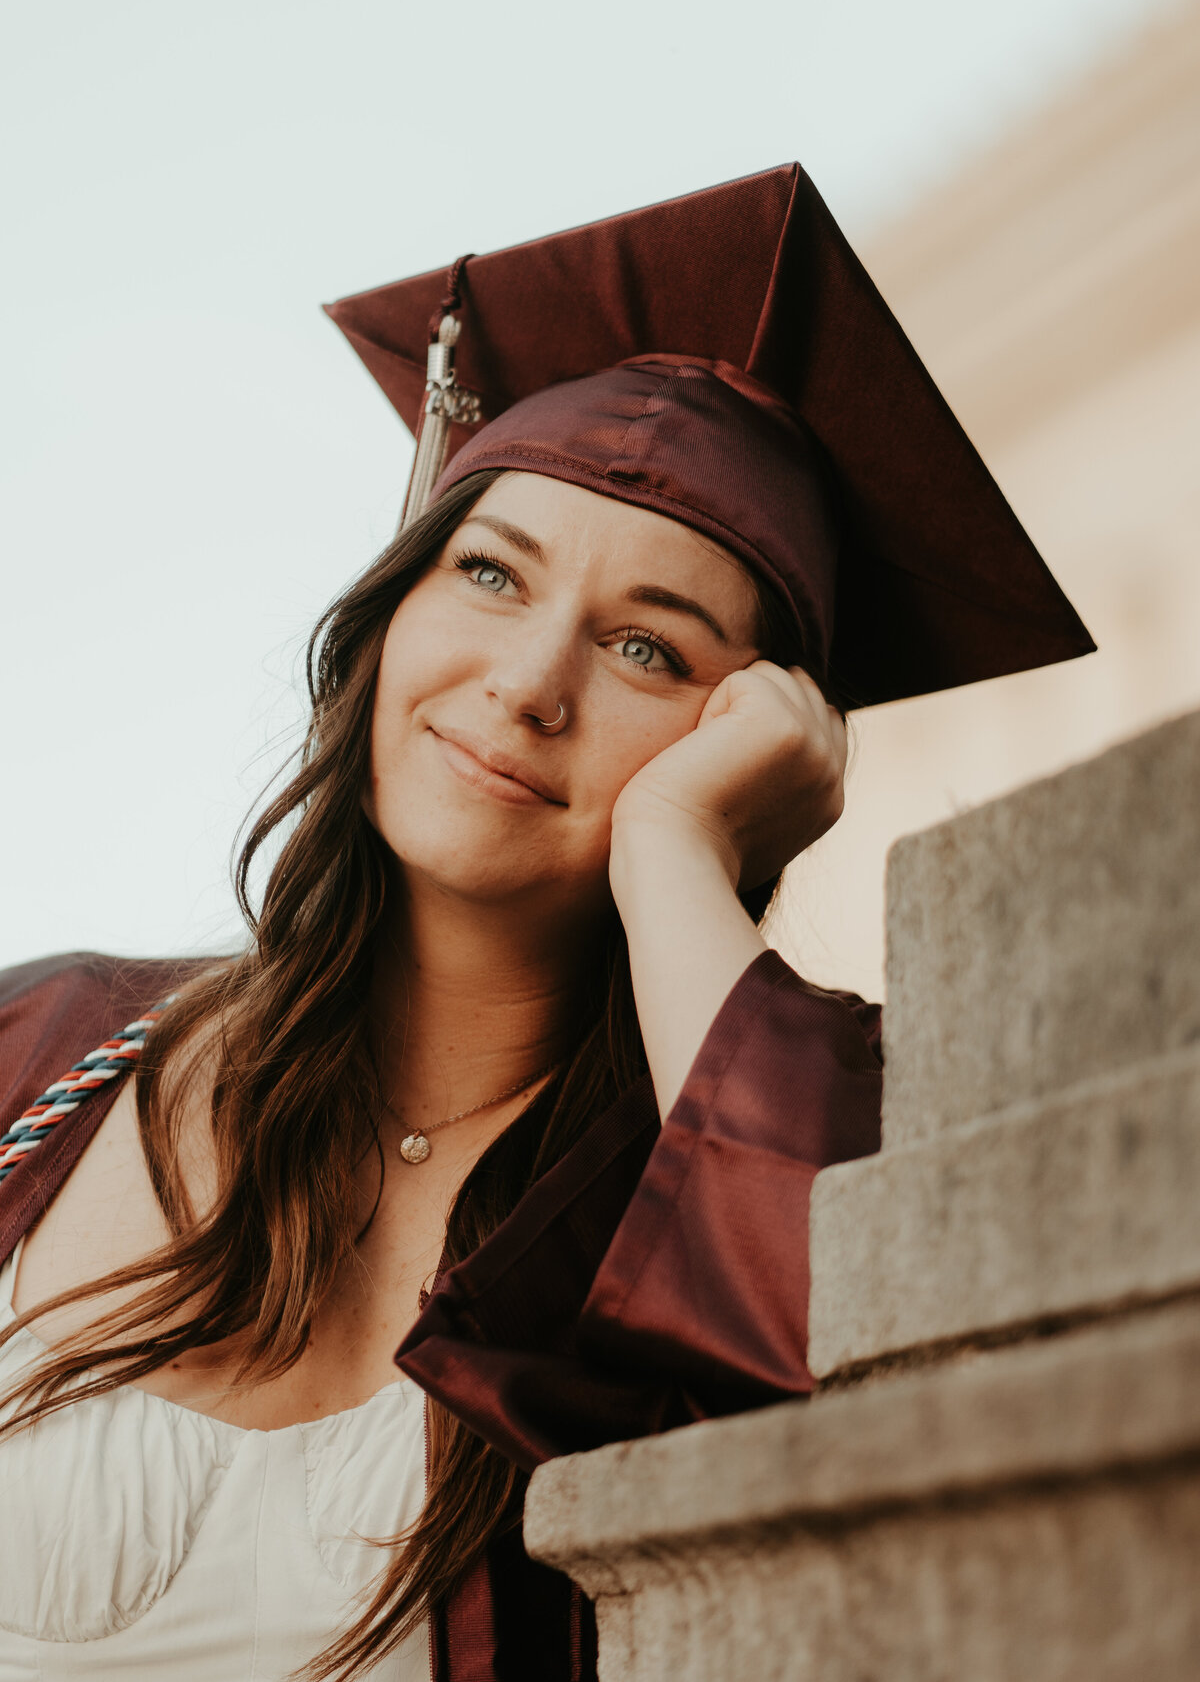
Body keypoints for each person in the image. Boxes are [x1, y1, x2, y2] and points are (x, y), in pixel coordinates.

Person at [0, 163, 1093, 1682]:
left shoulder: (712, 1187)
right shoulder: (41, 1058)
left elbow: (861, 1376)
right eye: (490, 573)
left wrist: (669, 859)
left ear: (745, 742)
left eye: (649, 646)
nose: (529, 680)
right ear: (391, 611)